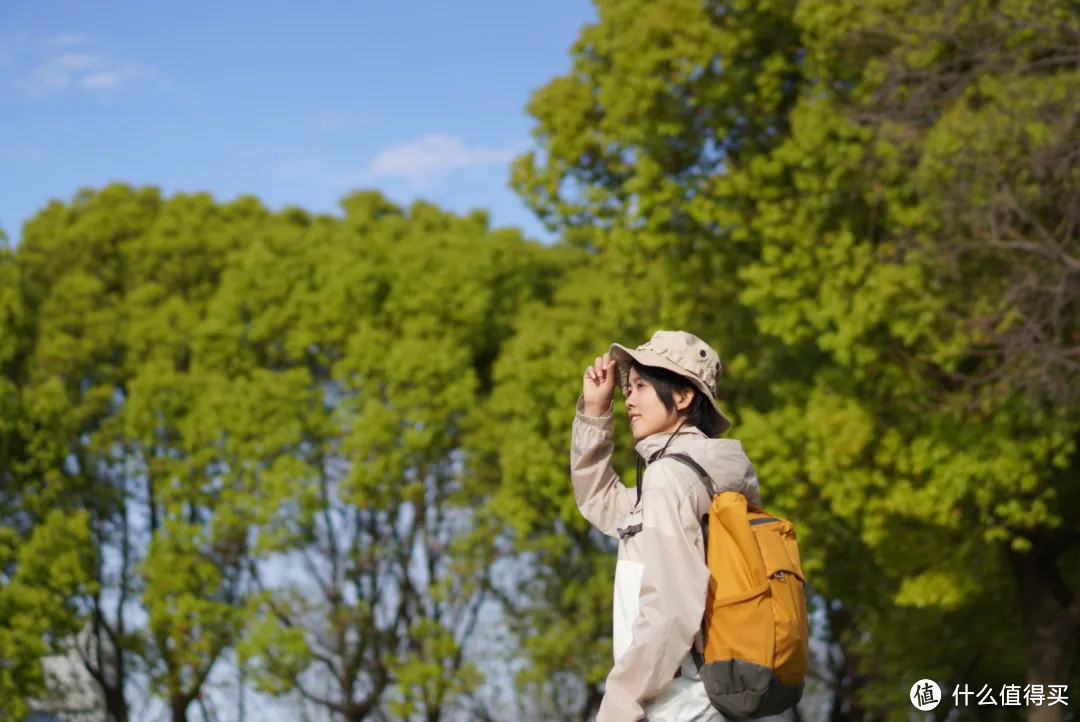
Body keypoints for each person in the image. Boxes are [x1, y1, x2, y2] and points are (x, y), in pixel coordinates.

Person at [571, 330, 763, 722]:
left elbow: (672, 607)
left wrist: (620, 702)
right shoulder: (697, 474)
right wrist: (595, 412)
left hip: (678, 703)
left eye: (642, 385)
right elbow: (601, 501)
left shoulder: (670, 479)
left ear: (683, 397)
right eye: (629, 387)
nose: (628, 398)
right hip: (704, 698)